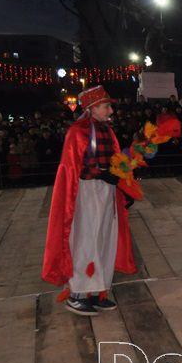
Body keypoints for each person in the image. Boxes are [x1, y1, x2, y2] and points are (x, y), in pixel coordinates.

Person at [42, 86, 136, 315]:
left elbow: (115, 160)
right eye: (106, 106)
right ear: (93, 108)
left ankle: (96, 291)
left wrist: (123, 183)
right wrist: (100, 173)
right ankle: (77, 293)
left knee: (104, 238)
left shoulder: (107, 130)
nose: (111, 111)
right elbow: (73, 166)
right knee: (85, 240)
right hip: (86, 192)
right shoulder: (77, 132)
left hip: (106, 192)